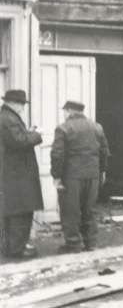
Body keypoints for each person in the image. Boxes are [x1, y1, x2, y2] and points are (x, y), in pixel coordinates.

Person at [51, 101, 110, 254]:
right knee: (89, 210)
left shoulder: (63, 128)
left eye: (64, 111)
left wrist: (56, 176)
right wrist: (101, 171)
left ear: (70, 111)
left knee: (70, 211)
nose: (63, 114)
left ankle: (74, 245)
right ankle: (91, 243)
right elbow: (104, 152)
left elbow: (57, 154)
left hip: (71, 177)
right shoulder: (97, 127)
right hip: (92, 176)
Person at [0, 89, 43, 259]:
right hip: (17, 175)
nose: (23, 109)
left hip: (11, 173)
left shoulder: (6, 117)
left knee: (11, 212)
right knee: (21, 212)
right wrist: (37, 135)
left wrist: (28, 132)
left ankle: (9, 248)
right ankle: (17, 250)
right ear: (14, 104)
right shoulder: (8, 119)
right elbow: (19, 141)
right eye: (22, 105)